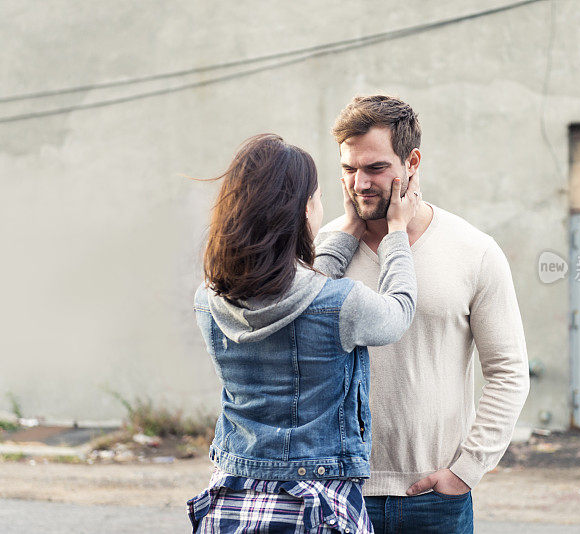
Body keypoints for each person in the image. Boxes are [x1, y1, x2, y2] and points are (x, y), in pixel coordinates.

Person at [187, 133, 422, 533]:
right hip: (314, 503)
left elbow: (300, 294)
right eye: (315, 197)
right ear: (300, 211)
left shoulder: (208, 299)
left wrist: (347, 229)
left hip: (234, 497)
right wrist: (396, 233)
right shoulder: (342, 303)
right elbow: (397, 312)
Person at [317, 95, 531, 533]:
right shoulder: (323, 251)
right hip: (338, 492)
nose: (360, 183)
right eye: (348, 169)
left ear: (411, 162)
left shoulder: (473, 251)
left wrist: (465, 471)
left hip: (434, 498)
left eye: (375, 168)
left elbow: (508, 371)